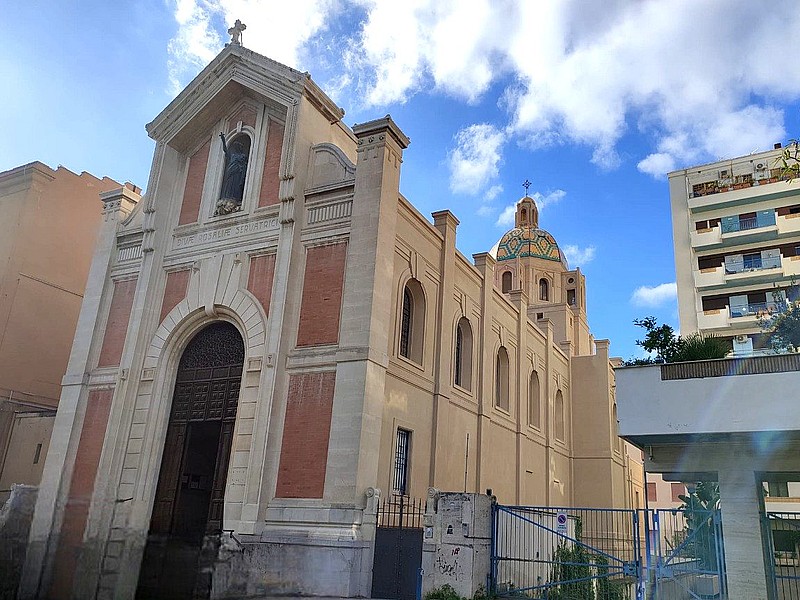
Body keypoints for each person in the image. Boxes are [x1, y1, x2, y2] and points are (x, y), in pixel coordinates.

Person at [217, 133, 249, 214]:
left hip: (238, 173)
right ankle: (228, 198)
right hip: (231, 172)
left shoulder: (243, 156)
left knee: (236, 186)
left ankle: (235, 198)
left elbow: (244, 166)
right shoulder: (233, 155)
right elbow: (225, 150)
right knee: (228, 186)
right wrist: (223, 140)